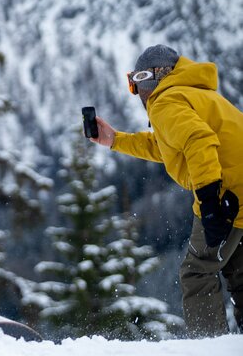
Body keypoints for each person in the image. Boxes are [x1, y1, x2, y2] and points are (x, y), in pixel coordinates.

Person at [90, 44, 243, 337]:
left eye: (136, 83)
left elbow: (198, 141)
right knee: (238, 271)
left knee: (197, 271)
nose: (137, 93)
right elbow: (168, 146)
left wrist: (210, 203)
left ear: (155, 77)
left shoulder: (165, 101)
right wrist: (116, 140)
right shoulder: (197, 94)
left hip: (228, 196)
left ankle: (210, 349)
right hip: (238, 190)